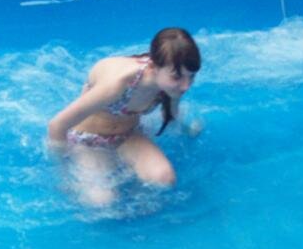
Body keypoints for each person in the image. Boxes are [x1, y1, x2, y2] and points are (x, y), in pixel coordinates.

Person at [48, 27, 201, 206]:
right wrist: (62, 170)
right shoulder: (118, 84)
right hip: (88, 142)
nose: (185, 86)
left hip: (129, 136)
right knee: (102, 203)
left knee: (163, 179)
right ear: (154, 67)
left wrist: (188, 130)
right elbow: (57, 125)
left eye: (191, 77)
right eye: (177, 77)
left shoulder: (171, 84)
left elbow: (171, 113)